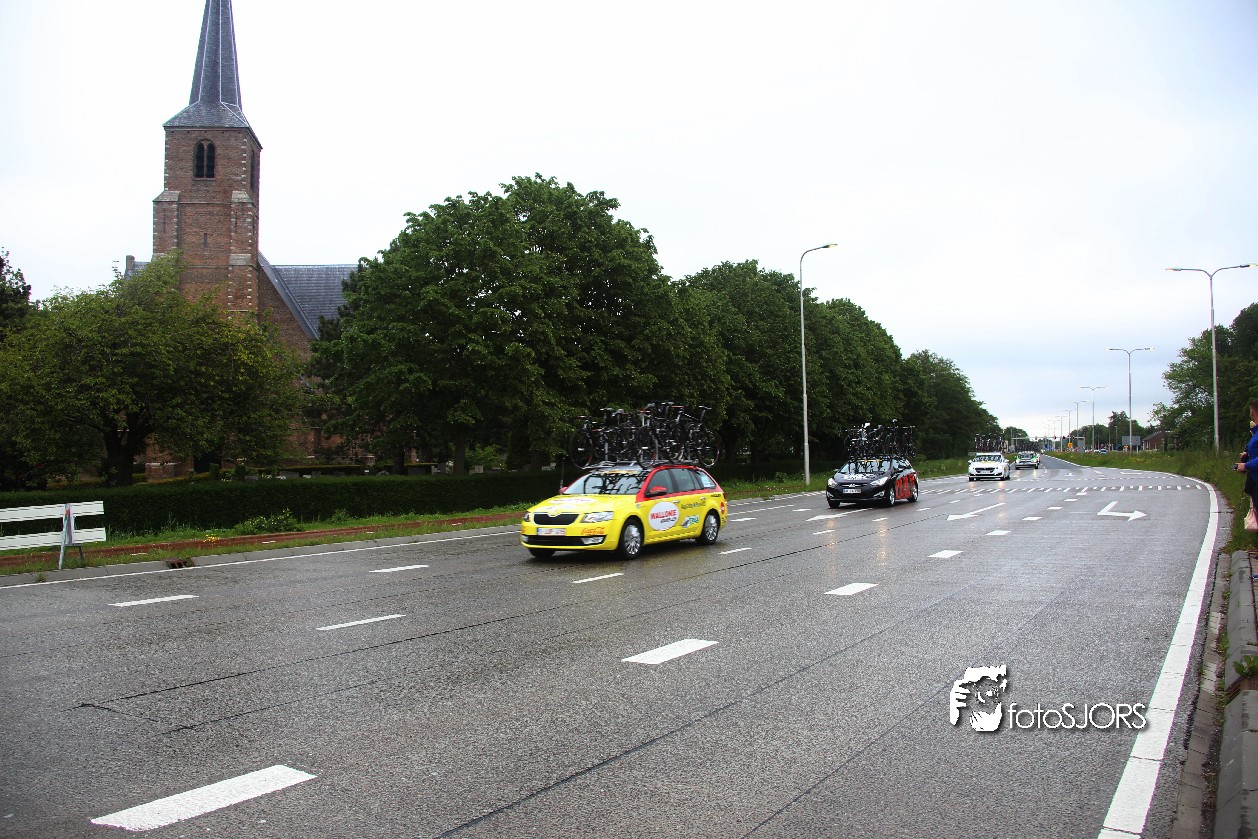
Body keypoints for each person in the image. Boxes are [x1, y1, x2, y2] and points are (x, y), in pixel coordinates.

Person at [1235, 399, 1258, 530]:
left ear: (1253, 412)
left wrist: (1246, 465)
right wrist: (1247, 456)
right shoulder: (1255, 433)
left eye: (1251, 410)